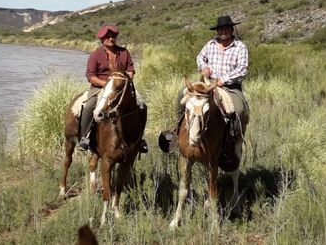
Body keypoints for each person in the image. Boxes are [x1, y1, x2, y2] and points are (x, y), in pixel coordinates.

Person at [161, 15, 249, 149]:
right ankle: (177, 127)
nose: (223, 31)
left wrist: (223, 79)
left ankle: (234, 138)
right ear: (217, 31)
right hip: (207, 83)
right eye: (220, 29)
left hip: (230, 86)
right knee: (181, 95)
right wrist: (204, 67)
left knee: (239, 109)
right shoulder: (211, 44)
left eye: (226, 28)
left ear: (231, 30)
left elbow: (242, 68)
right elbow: (200, 58)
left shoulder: (240, 47)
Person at [78, 25, 148, 153]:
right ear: (102, 39)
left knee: (142, 106)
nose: (111, 39)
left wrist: (125, 81)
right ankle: (85, 137)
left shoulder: (124, 52)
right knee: (89, 106)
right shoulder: (95, 55)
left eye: (113, 37)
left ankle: (140, 139)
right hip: (100, 87)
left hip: (122, 88)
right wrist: (107, 85)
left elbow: (130, 70)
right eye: (108, 37)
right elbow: (91, 76)